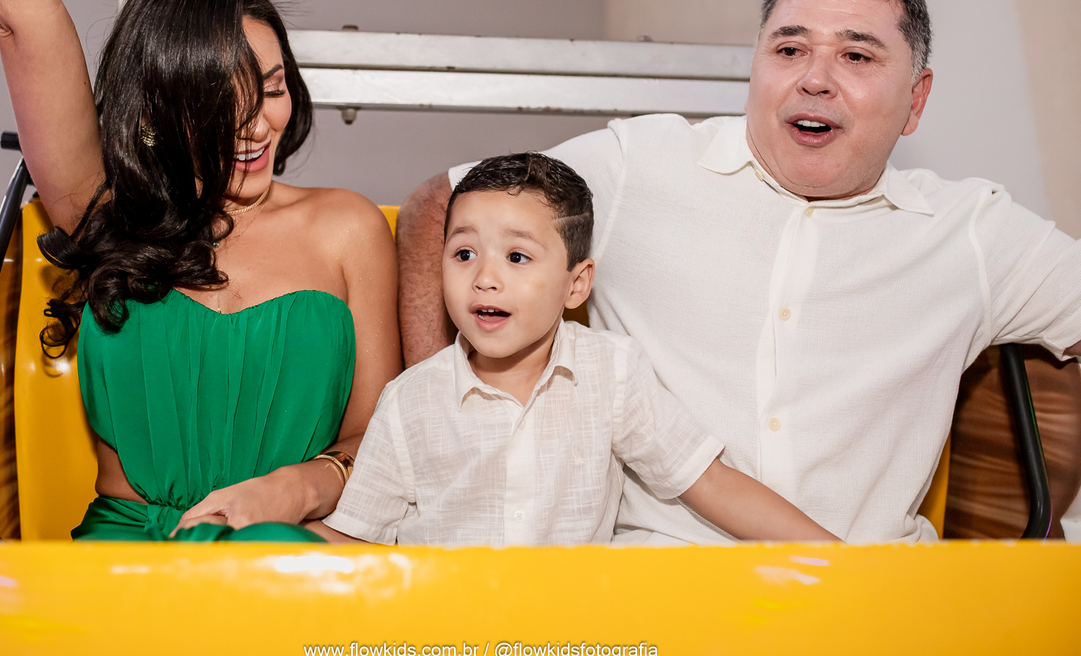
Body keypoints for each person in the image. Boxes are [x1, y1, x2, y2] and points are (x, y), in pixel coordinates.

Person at [396, 0, 1081, 545]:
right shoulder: (640, 165)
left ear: (916, 99)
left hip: (868, 596)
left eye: (855, 55)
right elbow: (438, 204)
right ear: (755, 67)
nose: (815, 78)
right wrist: (444, 417)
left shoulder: (972, 232)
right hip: (657, 588)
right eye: (789, 49)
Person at [0, 0, 402, 541]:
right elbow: (23, 11)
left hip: (288, 547)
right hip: (125, 556)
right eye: (218, 104)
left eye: (273, 89)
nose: (256, 126)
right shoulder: (106, 212)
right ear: (157, 113)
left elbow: (381, 440)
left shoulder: (348, 229)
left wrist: (294, 490)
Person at [312, 153, 837, 546]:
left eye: (517, 257)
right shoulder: (408, 400)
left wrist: (847, 563)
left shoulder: (612, 372)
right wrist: (276, 541)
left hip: (576, 635)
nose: (485, 278)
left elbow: (711, 482)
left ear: (576, 284)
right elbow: (357, 538)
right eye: (464, 253)